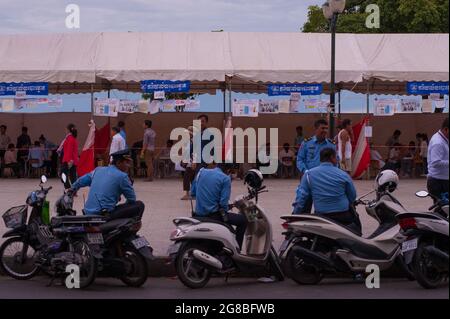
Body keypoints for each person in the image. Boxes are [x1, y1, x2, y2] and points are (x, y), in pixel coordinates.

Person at [292, 148, 360, 233]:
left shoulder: (308, 174)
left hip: (321, 216)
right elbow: (352, 196)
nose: (337, 159)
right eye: (336, 157)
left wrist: (295, 215)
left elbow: (301, 199)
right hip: (343, 216)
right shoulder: (343, 175)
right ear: (332, 157)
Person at [70, 150, 144, 219]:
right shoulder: (122, 176)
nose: (129, 166)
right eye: (126, 163)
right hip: (104, 215)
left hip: (87, 213)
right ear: (118, 162)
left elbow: (80, 181)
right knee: (139, 205)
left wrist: (73, 189)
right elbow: (131, 199)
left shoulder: (98, 170)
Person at [191, 162, 247, 249]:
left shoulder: (201, 172)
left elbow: (193, 192)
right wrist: (227, 207)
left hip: (198, 214)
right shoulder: (225, 179)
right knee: (243, 221)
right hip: (214, 215)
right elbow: (223, 203)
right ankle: (237, 250)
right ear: (228, 170)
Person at [296, 119, 336, 214]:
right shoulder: (306, 143)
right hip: (308, 180)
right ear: (316, 129)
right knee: (304, 206)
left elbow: (335, 162)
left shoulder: (331, 145)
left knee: (323, 210)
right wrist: (305, 171)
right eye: (322, 128)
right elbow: (300, 159)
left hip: (324, 180)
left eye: (326, 128)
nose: (325, 131)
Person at [427, 118, 449, 201]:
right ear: (446, 129)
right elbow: (435, 163)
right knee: (442, 210)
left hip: (443, 180)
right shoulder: (438, 142)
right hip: (438, 182)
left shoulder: (444, 139)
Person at [181, 126, 196, 200]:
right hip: (189, 161)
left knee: (186, 177)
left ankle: (187, 194)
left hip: (192, 162)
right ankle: (192, 193)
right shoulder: (188, 141)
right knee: (192, 178)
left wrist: (193, 161)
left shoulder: (194, 141)